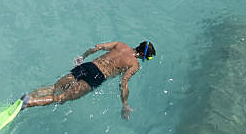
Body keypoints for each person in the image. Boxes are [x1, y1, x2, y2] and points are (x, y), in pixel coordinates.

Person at [21, 40, 156, 119]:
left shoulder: (120, 44)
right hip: (97, 76)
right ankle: (29, 103)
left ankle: (28, 96)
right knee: (61, 98)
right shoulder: (134, 64)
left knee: (54, 87)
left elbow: (98, 47)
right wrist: (125, 104)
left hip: (89, 65)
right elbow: (124, 83)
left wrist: (82, 57)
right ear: (143, 55)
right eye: (149, 58)